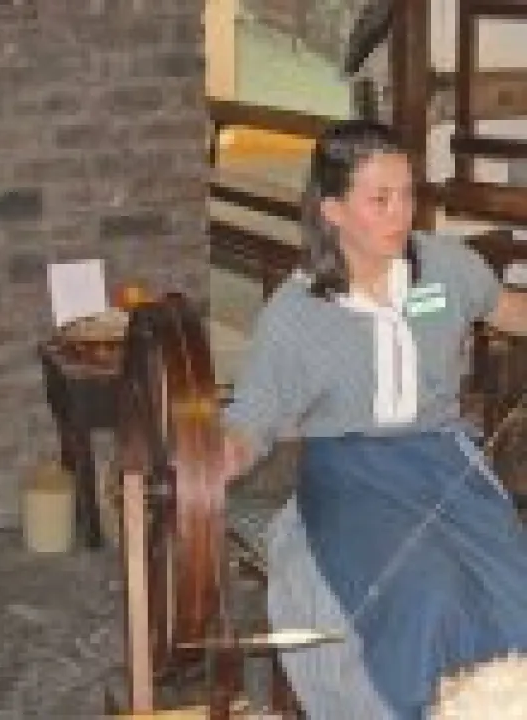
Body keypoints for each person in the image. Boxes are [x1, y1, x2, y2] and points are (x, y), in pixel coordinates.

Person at [222, 119, 527, 719]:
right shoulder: (296, 313)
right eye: (379, 199)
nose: (401, 214)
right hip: (351, 477)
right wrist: (226, 449)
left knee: (509, 589)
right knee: (425, 595)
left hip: (443, 465)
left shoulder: (446, 268)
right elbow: (253, 415)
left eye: (407, 195)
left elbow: (509, 310)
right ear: (333, 210)